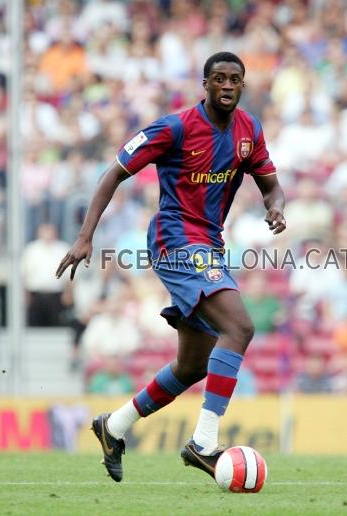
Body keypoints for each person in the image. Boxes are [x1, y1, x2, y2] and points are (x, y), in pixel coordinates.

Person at [56, 52, 286, 482]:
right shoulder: (175, 127)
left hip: (210, 245)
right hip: (174, 239)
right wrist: (86, 236)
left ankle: (114, 425)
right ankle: (203, 443)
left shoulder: (249, 131)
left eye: (234, 79)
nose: (226, 85)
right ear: (205, 84)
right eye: (218, 78)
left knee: (193, 365)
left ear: (242, 85)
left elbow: (272, 187)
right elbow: (114, 172)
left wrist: (276, 209)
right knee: (239, 328)